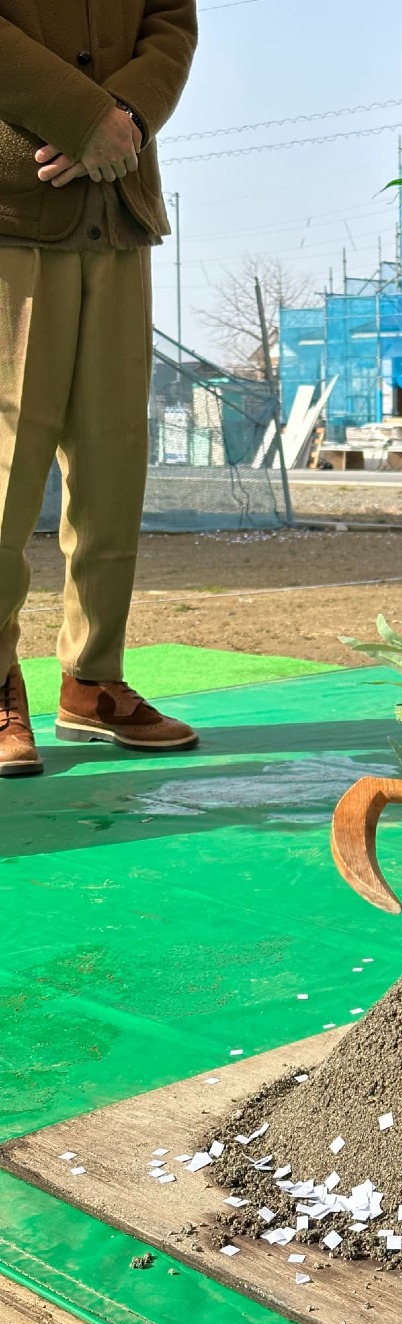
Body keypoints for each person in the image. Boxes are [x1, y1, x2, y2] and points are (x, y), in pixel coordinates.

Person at [0, 0, 199, 778]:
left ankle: (92, 678)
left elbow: (171, 23)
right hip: (16, 201)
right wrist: (84, 118)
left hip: (118, 203)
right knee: (8, 461)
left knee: (115, 459)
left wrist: (125, 123)